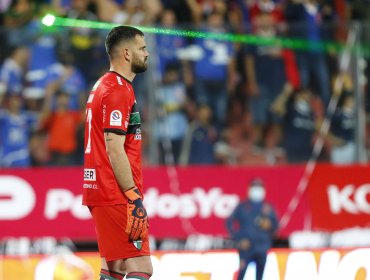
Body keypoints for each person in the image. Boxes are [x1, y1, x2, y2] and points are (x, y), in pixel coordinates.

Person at [82, 26, 152, 280]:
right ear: (126, 53)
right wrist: (133, 195)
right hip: (115, 192)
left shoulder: (103, 85)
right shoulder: (118, 90)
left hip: (100, 188)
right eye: (142, 48)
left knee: (115, 268)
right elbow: (114, 147)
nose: (147, 53)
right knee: (141, 266)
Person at [226, 178, 278, 280]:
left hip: (262, 247)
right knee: (241, 275)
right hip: (246, 248)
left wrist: (269, 225)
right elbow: (229, 223)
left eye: (259, 188)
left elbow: (276, 227)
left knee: (260, 276)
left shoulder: (268, 207)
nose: (257, 191)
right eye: (254, 188)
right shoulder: (242, 206)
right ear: (249, 189)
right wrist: (239, 240)